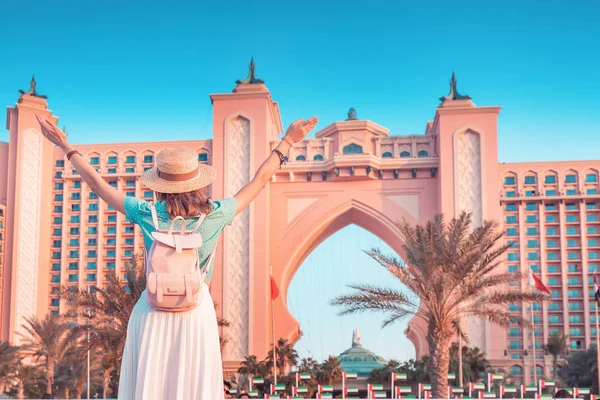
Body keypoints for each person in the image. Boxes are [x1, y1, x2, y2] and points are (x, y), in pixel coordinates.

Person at [35, 114, 318, 400]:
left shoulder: (147, 213)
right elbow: (259, 181)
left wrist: (65, 145)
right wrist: (287, 142)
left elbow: (98, 184)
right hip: (195, 311)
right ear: (198, 184)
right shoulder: (215, 214)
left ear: (160, 185)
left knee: (151, 382)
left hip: (152, 309)